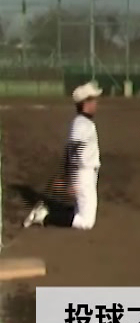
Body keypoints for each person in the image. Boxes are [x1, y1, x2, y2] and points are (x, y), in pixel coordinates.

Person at [23, 81, 103, 229]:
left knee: (81, 212)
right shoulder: (82, 124)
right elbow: (73, 150)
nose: (96, 104)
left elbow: (70, 149)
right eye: (93, 100)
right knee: (86, 222)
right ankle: (43, 217)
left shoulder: (83, 122)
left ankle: (46, 212)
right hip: (83, 173)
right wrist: (71, 179)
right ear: (86, 102)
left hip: (86, 172)